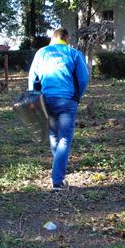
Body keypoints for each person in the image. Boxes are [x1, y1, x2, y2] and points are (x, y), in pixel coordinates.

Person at [28, 28, 89, 191]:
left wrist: (34, 97)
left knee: (54, 134)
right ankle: (57, 180)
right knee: (65, 139)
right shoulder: (74, 53)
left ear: (52, 38)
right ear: (66, 38)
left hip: (46, 100)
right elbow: (83, 79)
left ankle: (58, 167)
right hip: (67, 100)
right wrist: (78, 97)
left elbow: (32, 77)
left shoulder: (41, 53)